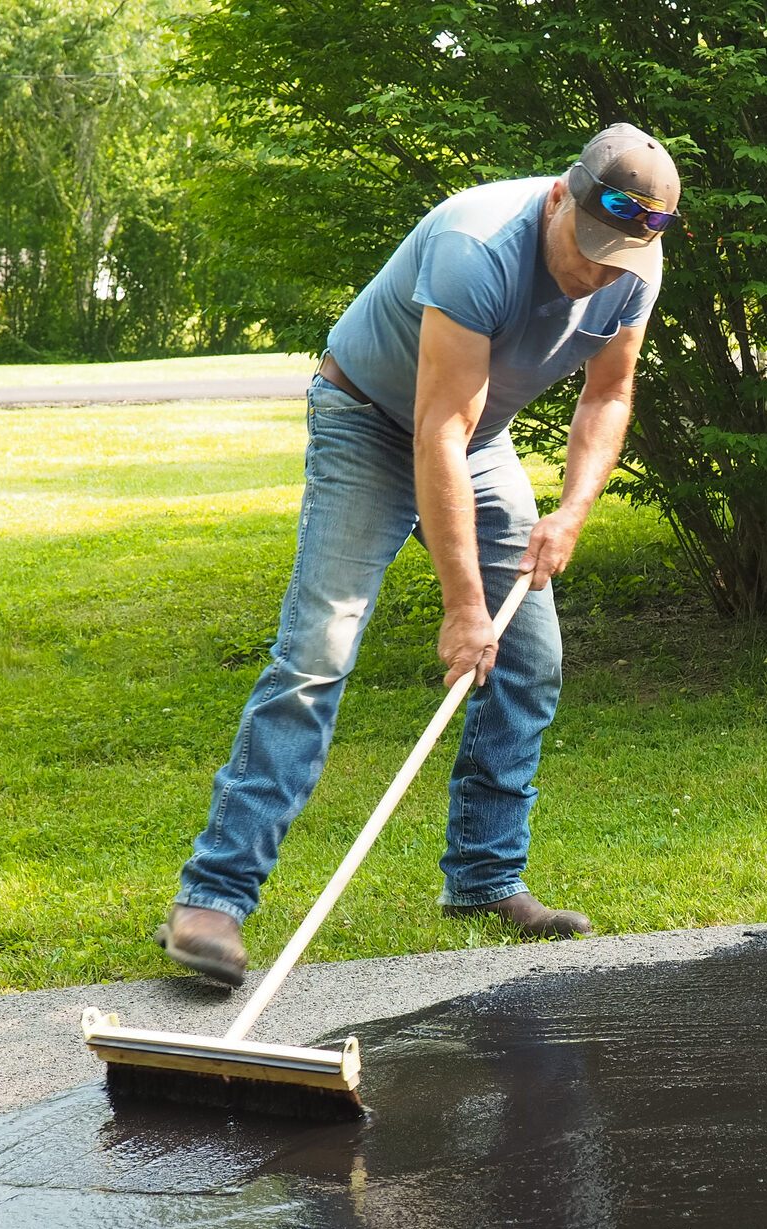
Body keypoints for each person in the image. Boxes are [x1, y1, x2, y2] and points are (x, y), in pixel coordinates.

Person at [156, 124, 682, 987]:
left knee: (532, 660)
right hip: (371, 417)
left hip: (482, 440)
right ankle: (213, 896)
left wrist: (572, 512)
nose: (596, 271)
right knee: (317, 654)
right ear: (560, 195)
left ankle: (483, 879)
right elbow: (437, 424)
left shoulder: (636, 264)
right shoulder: (476, 245)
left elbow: (609, 393)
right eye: (588, 246)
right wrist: (462, 605)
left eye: (617, 256)